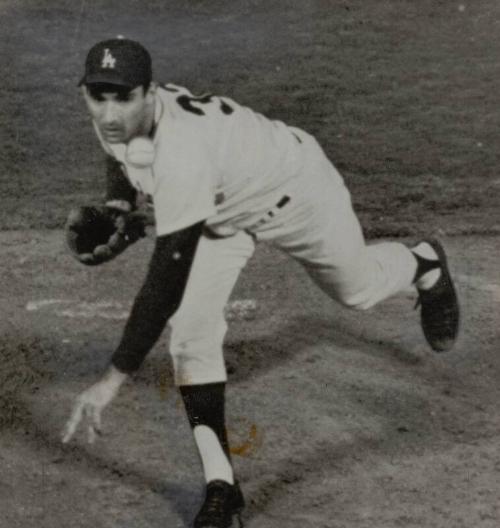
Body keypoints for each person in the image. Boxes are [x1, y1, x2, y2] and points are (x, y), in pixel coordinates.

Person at [62, 37, 460, 528]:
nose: (108, 112)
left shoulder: (183, 152)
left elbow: (163, 283)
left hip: (294, 193)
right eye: (96, 96)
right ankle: (221, 486)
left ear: (149, 92)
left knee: (356, 292)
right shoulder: (115, 114)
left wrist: (109, 382)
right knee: (190, 336)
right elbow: (121, 152)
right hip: (221, 212)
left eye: (122, 97)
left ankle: (423, 263)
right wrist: (121, 204)